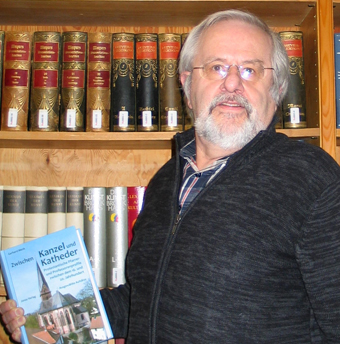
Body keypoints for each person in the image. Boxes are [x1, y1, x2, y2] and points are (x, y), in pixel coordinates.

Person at [2, 9, 340, 344]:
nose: (233, 83)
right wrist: (41, 321)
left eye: (251, 70)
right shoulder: (166, 180)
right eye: (217, 67)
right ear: (187, 84)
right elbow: (143, 300)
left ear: (278, 89)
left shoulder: (313, 179)